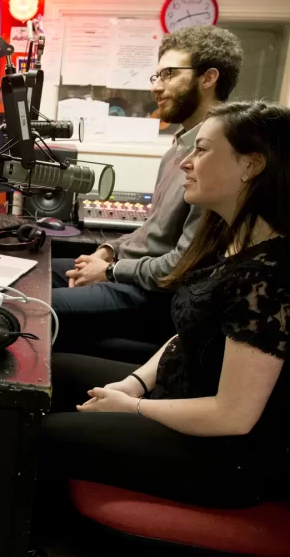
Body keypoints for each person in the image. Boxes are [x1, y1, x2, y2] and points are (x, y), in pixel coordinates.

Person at [36, 102, 290, 521]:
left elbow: (232, 415)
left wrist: (134, 409)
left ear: (250, 165)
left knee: (39, 436)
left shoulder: (273, 277)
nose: (186, 163)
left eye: (201, 150)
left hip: (225, 457)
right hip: (181, 400)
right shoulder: (233, 243)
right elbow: (189, 333)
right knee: (46, 376)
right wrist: (133, 384)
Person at [50, 26, 243, 356]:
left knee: (35, 307)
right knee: (32, 273)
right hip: (129, 273)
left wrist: (110, 271)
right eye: (156, 76)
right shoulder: (176, 150)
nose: (156, 87)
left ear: (208, 78)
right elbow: (152, 229)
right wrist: (108, 251)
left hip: (152, 295)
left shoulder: (217, 163)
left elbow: (182, 266)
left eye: (168, 74)